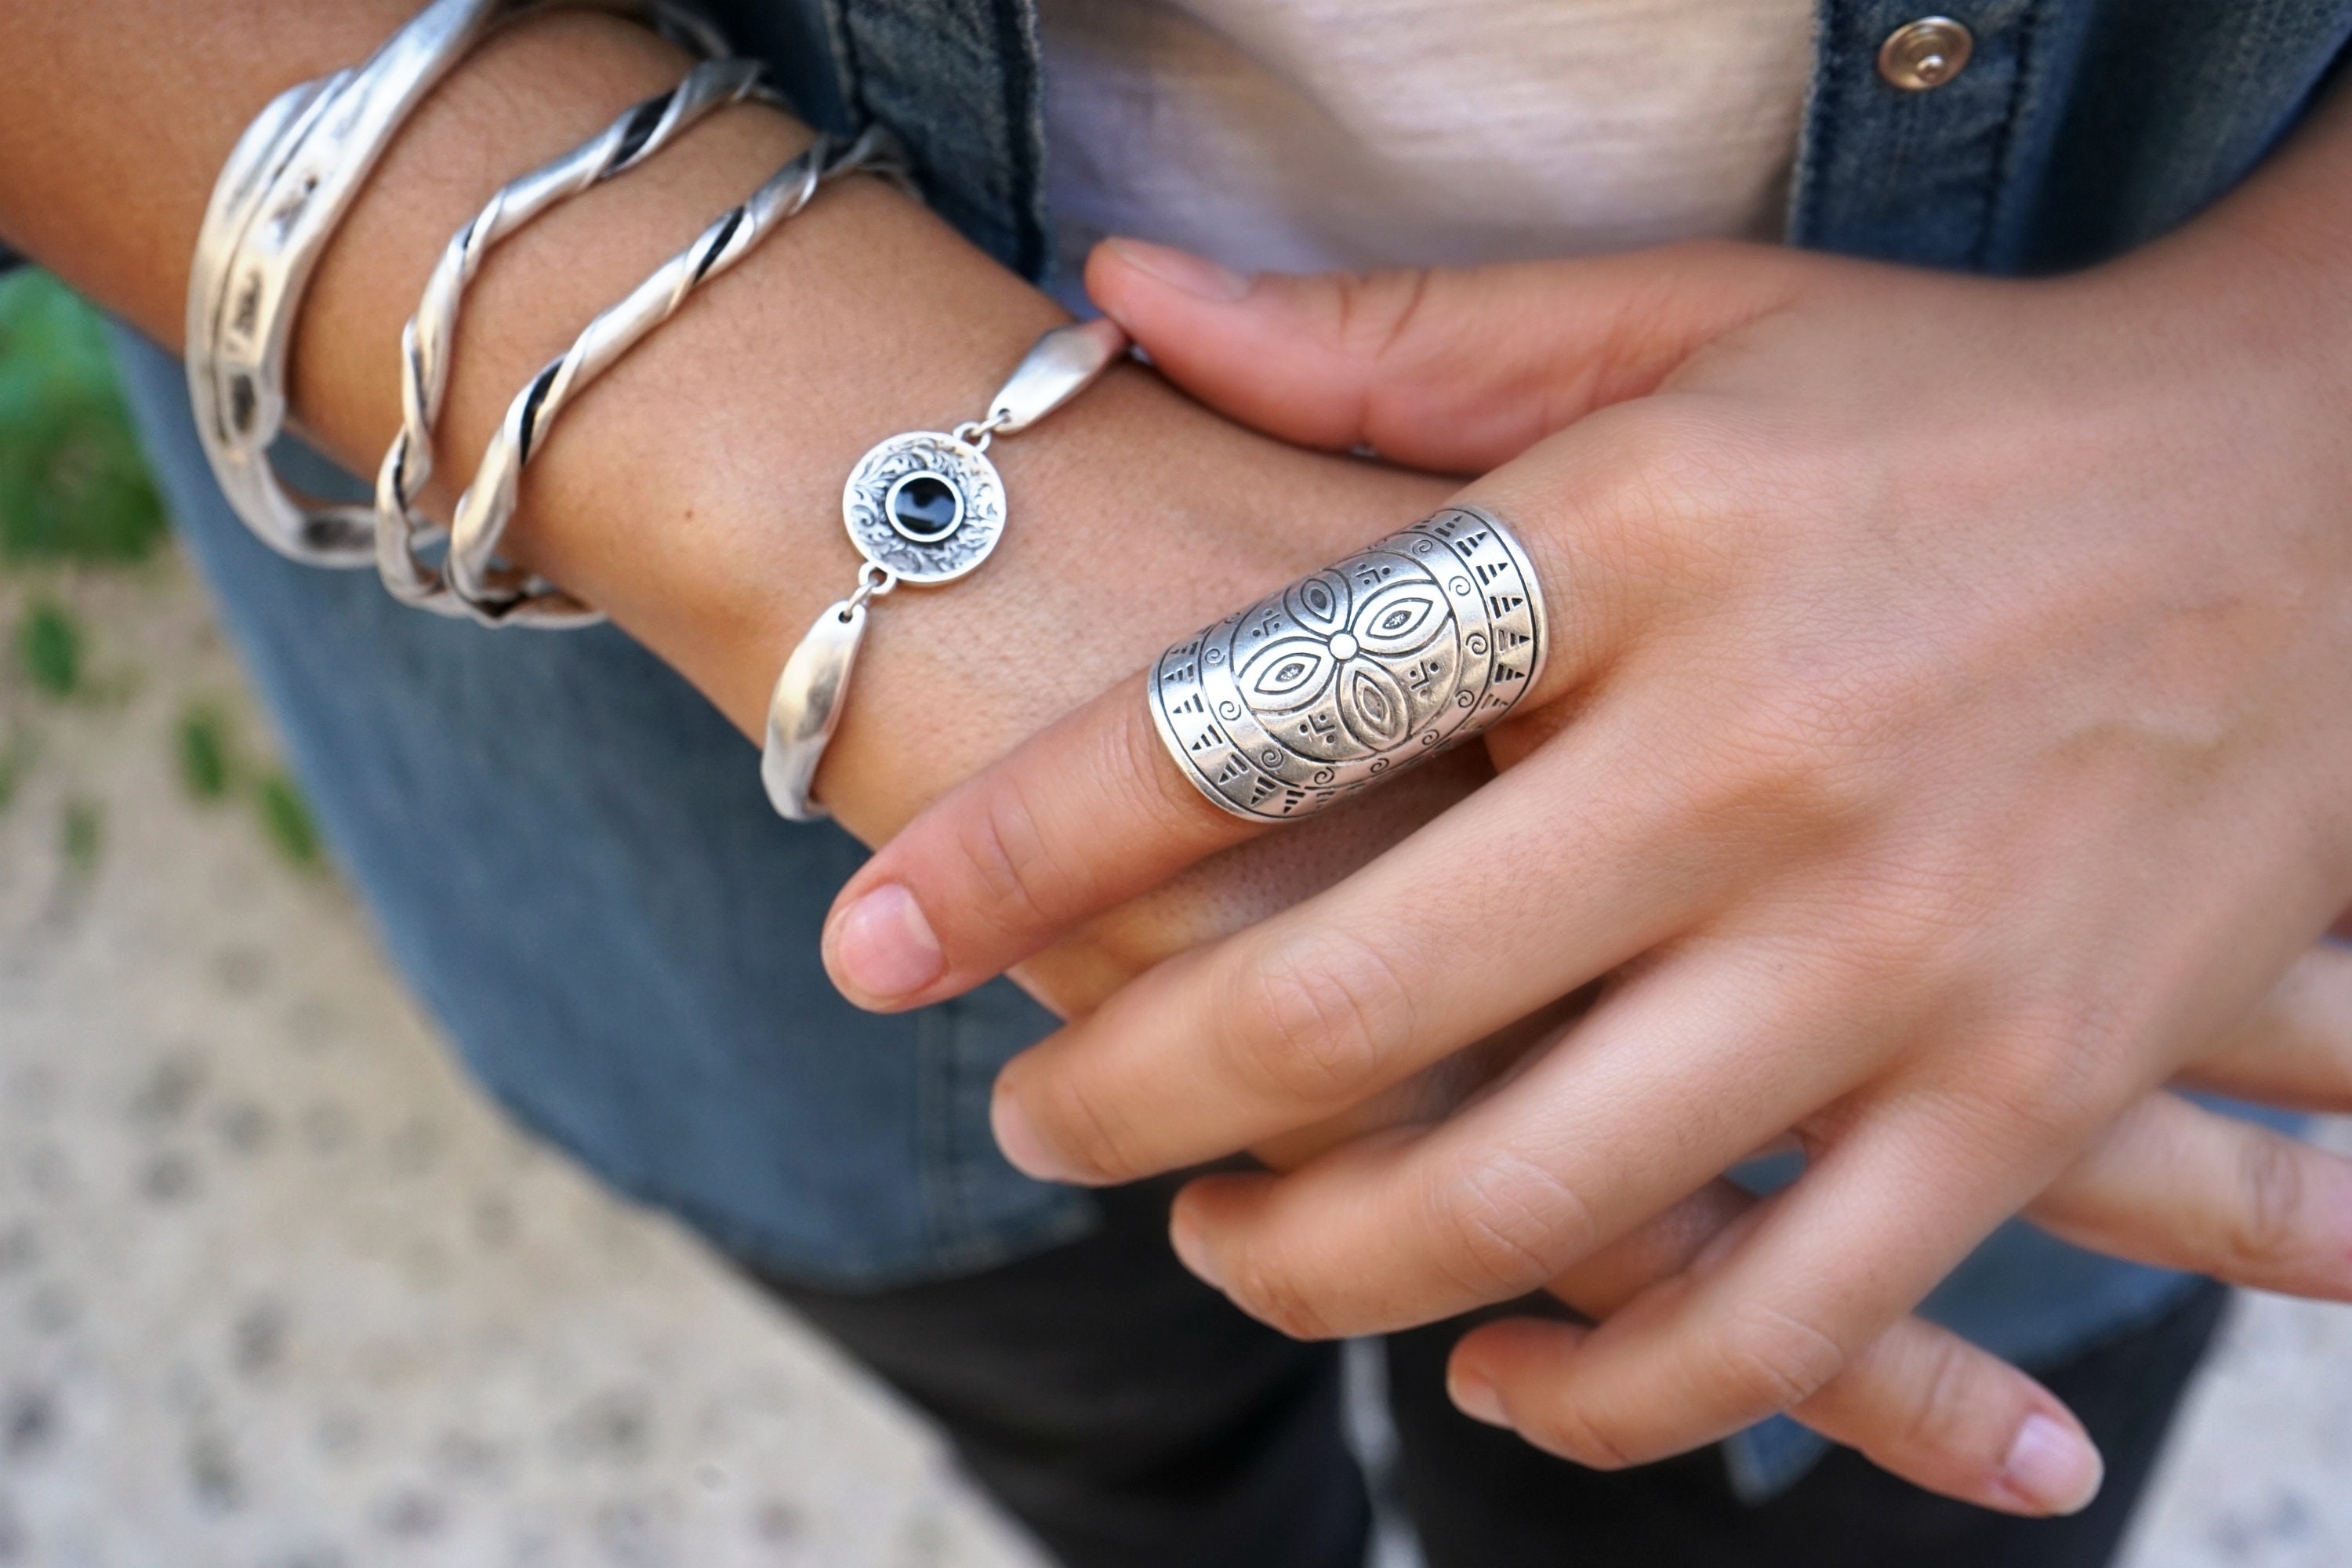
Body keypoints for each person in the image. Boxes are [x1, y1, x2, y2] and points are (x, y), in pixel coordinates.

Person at [9, 2, 2352, 1563]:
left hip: (2081, 735)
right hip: (671, 777)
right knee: (1115, 1454)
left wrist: (2294, 423)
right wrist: (779, 426)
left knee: (1803, 1478)